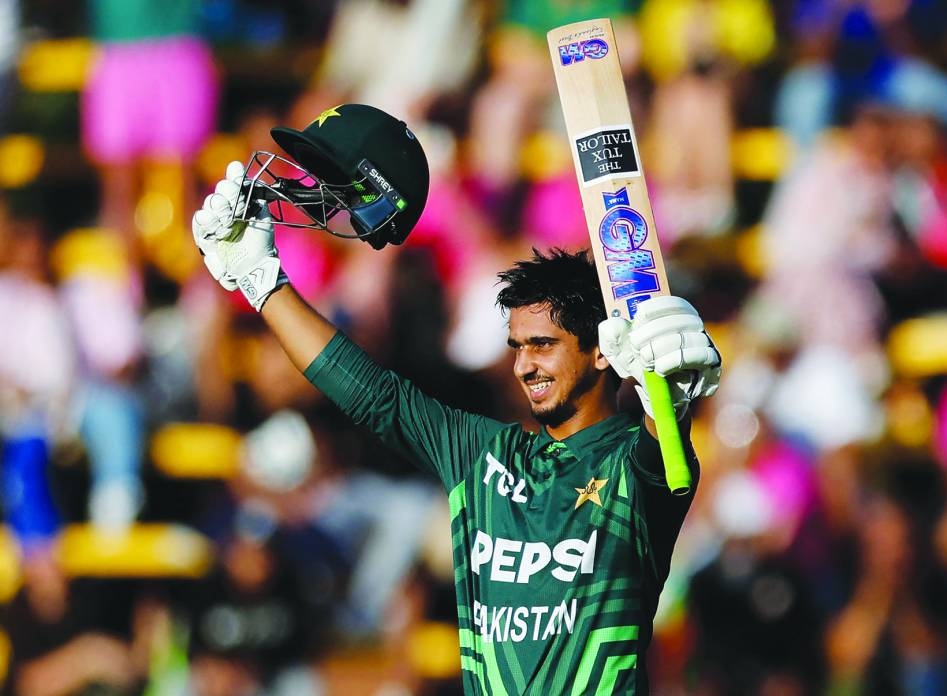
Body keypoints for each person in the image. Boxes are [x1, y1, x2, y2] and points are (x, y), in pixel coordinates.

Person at [190, 103, 722, 694]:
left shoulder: (632, 471)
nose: (524, 365)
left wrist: (667, 395)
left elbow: (665, 446)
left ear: (602, 351)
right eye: (518, 346)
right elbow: (371, 394)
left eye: (543, 345)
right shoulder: (481, 454)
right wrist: (263, 282)